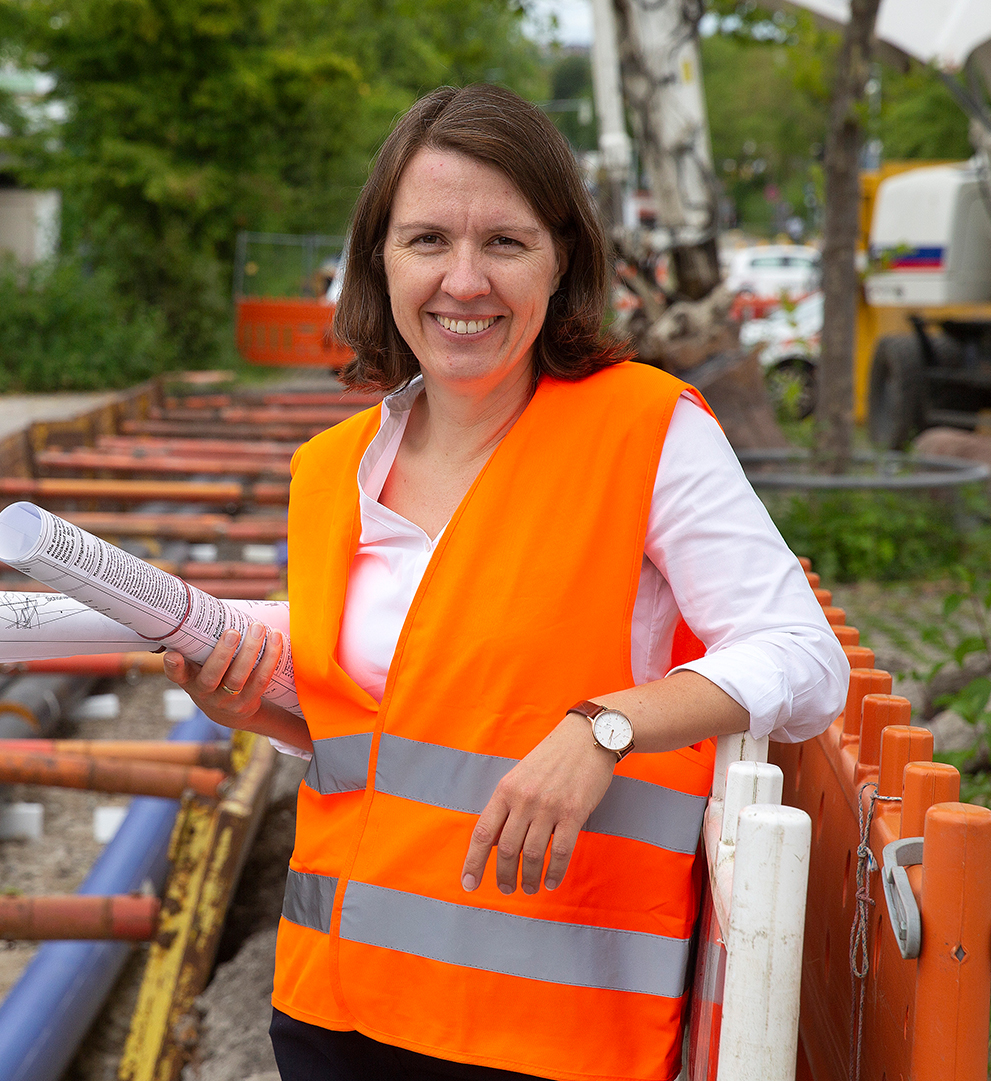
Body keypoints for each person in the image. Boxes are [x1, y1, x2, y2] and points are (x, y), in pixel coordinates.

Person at [166, 84, 848, 1081]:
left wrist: (603, 726)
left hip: (549, 1035)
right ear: (379, 261)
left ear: (561, 257)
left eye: (505, 243)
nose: (464, 280)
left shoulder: (641, 432)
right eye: (429, 240)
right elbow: (411, 734)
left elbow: (804, 656)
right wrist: (265, 707)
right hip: (331, 1010)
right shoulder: (330, 474)